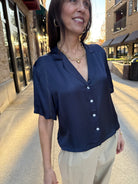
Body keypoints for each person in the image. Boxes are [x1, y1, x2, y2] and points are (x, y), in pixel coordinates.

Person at [33, 0, 125, 183]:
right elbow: (45, 120)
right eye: (74, 1)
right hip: (76, 154)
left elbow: (106, 98)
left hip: (108, 142)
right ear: (57, 13)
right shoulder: (45, 67)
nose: (82, 8)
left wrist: (118, 131)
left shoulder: (98, 53)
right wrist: (47, 168)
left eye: (86, 4)